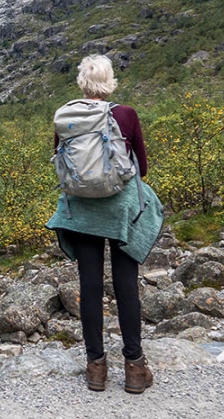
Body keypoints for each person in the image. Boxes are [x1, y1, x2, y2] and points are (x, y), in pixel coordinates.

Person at [46, 54, 164, 394]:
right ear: (109, 81)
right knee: (126, 286)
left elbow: (61, 164)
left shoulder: (67, 116)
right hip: (120, 210)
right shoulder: (125, 115)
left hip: (82, 212)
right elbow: (140, 168)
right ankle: (134, 369)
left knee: (91, 287)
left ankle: (96, 368)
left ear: (82, 83)